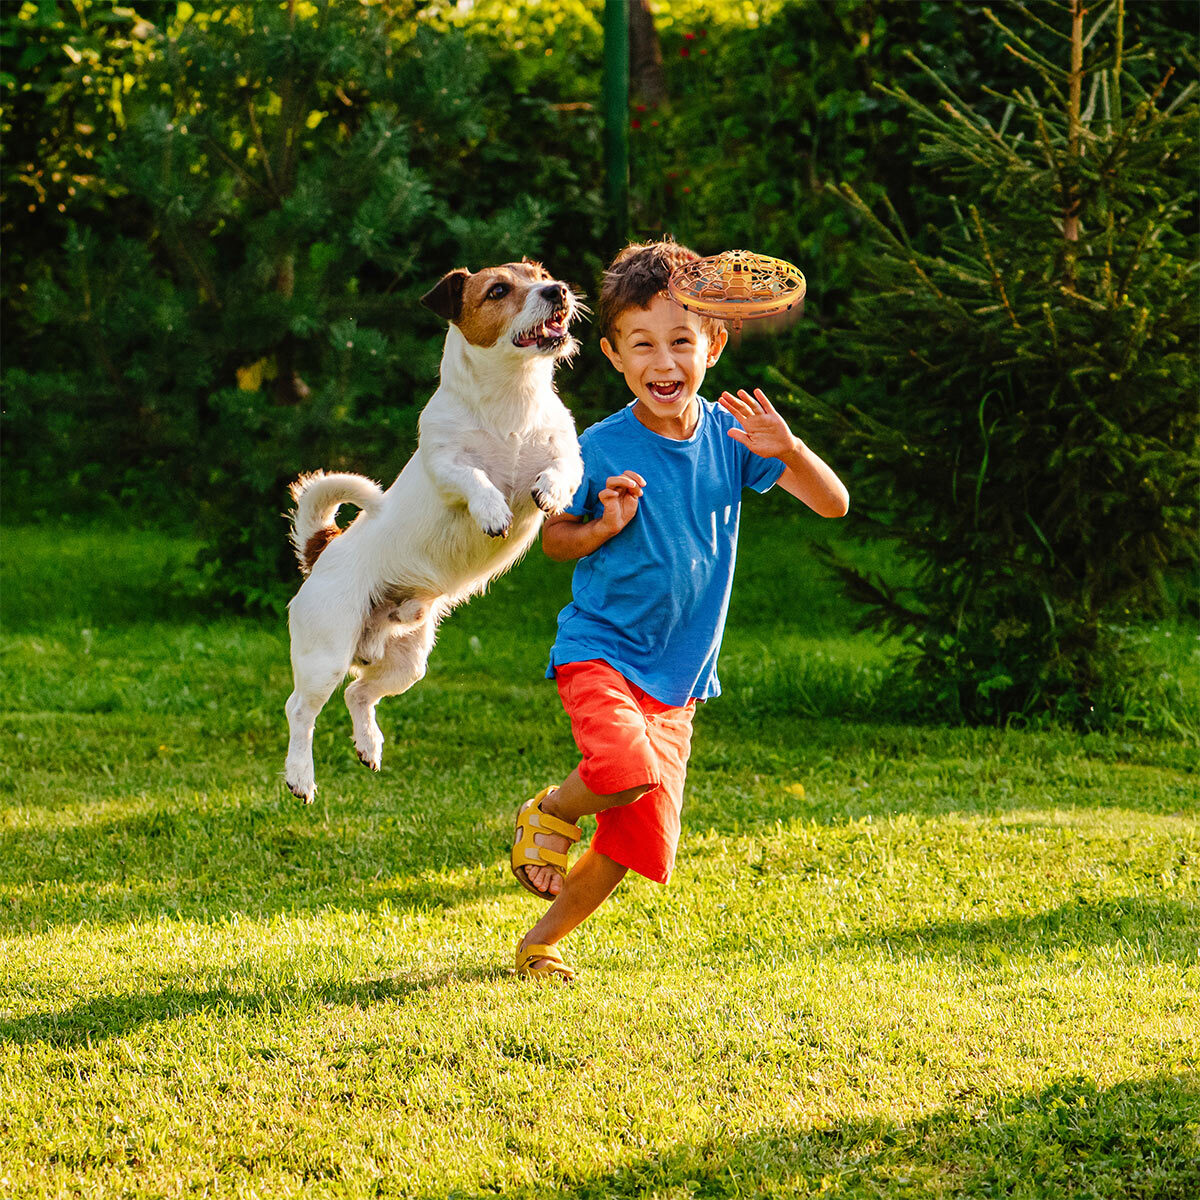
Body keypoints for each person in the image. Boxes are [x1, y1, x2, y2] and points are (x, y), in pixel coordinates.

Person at [510, 239, 849, 980]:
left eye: (681, 342)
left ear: (714, 344)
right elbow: (555, 541)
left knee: (634, 843)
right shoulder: (597, 445)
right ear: (612, 355)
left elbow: (833, 503)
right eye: (643, 345)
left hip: (677, 679)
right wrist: (601, 525)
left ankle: (542, 942)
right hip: (602, 649)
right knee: (622, 769)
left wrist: (788, 449)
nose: (664, 363)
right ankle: (553, 812)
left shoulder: (736, 438)